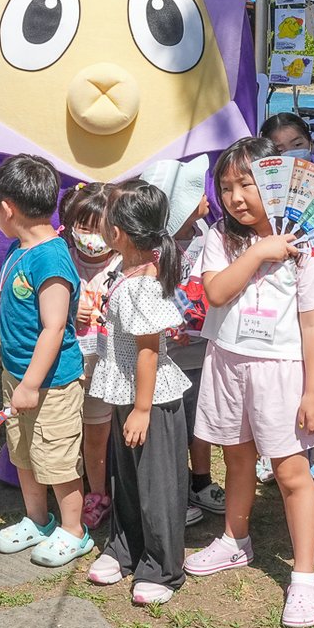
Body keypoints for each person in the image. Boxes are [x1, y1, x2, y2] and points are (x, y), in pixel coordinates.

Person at [183, 137, 314, 628]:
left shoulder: (309, 244)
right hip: (228, 361)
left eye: (247, 183)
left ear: (276, 184)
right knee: (235, 455)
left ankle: (303, 575)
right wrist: (259, 253)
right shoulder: (222, 237)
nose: (235, 197)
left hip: (282, 371)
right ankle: (235, 540)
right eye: (226, 186)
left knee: (292, 472)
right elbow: (214, 292)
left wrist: (313, 391)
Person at [0, 155, 93, 567]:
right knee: (23, 451)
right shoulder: (22, 251)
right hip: (17, 375)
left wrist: (30, 385)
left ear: (7, 208)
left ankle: (74, 531)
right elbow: (19, 299)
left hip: (52, 383)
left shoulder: (51, 257)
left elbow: (54, 327)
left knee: (57, 459)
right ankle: (37, 520)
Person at [86, 180, 192, 605]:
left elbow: (149, 351)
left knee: (156, 485)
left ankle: (163, 566)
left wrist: (142, 409)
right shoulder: (126, 271)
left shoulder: (141, 284)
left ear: (118, 233)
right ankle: (127, 546)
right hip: (126, 392)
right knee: (127, 478)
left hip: (148, 398)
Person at [139, 155, 227, 526]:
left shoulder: (209, 234)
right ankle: (175, 488)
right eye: (197, 191)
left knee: (201, 419)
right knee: (174, 425)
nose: (206, 195)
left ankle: (201, 480)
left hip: (202, 348)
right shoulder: (155, 253)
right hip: (170, 354)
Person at [59, 182, 119, 530]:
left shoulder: (125, 261)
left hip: (108, 366)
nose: (92, 237)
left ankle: (98, 494)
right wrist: (70, 308)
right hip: (69, 364)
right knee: (68, 432)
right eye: (85, 227)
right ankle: (71, 493)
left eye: (100, 228)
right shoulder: (64, 259)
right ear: (70, 226)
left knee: (98, 434)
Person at [259, 112, 314, 178]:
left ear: (311, 144)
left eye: (297, 144)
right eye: (279, 150)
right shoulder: (263, 181)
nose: (291, 154)